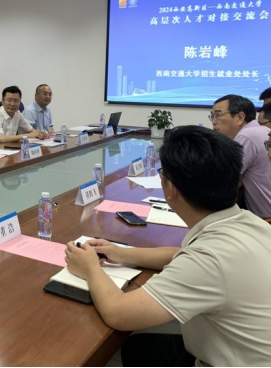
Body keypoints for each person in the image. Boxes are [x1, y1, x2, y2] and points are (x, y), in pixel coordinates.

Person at [64, 126, 271, 366]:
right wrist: (121, 253)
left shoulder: (208, 259)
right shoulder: (248, 221)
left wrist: (90, 268)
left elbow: (118, 313)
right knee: (140, 347)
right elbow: (182, 255)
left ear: (169, 188)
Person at [210, 94, 271, 218]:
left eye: (218, 115)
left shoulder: (246, 136)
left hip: (265, 220)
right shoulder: (262, 130)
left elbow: (225, 180)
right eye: (212, 116)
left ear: (240, 117)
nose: (214, 122)